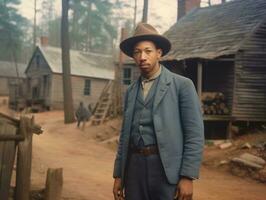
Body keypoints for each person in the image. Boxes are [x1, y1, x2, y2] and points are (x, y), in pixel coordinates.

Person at [112, 23, 204, 200]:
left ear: (159, 53)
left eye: (148, 51)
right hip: (134, 171)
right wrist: (118, 175)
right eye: (137, 52)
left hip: (166, 171)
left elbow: (195, 135)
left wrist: (187, 177)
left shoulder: (182, 86)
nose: (142, 57)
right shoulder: (131, 91)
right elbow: (124, 136)